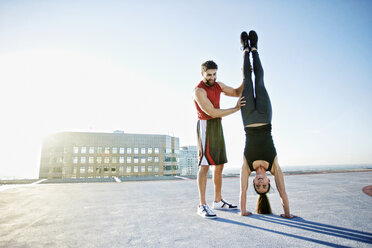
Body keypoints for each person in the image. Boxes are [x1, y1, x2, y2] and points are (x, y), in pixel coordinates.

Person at [239, 30, 296, 218]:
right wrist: (287, 214)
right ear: (269, 182)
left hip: (247, 119)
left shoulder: (247, 167)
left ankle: (245, 50)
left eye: (258, 185)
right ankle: (254, 48)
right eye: (264, 185)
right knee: (260, 81)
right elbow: (283, 193)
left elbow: (242, 192)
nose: (261, 182)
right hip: (265, 116)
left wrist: (243, 211)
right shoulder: (274, 166)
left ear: (254, 182)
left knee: (248, 80)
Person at [193, 60, 245, 218]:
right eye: (209, 75)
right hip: (206, 126)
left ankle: (218, 201)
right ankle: (202, 205)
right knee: (205, 165)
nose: (212, 77)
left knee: (220, 165)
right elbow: (212, 112)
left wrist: (245, 76)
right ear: (202, 74)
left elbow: (237, 92)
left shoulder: (218, 85)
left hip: (217, 125)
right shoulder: (198, 91)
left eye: (214, 74)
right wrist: (235, 109)